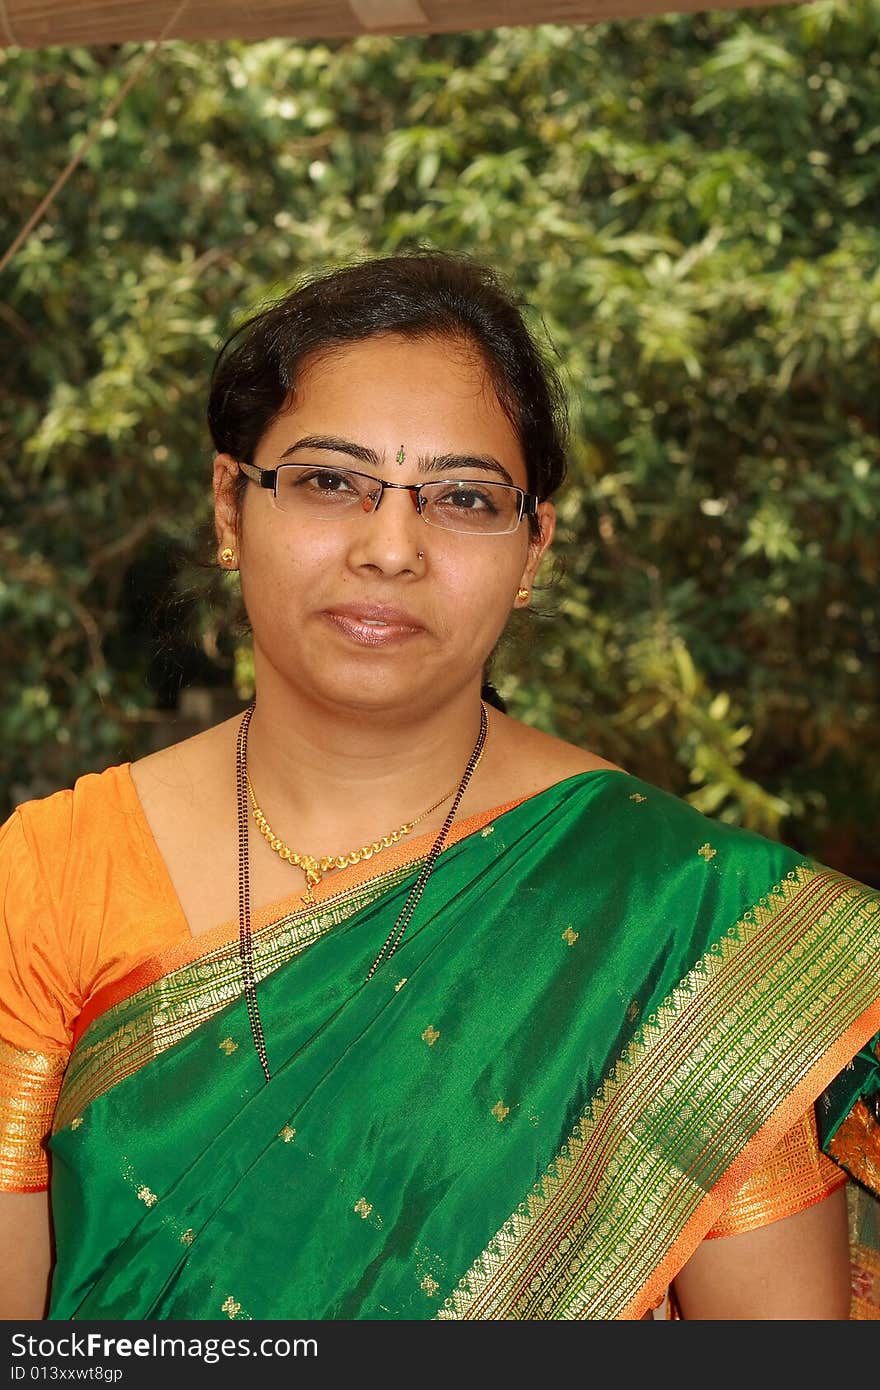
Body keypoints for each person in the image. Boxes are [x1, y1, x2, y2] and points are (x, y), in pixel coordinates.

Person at [1, 251, 878, 1323]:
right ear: (232, 506)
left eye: (462, 498)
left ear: (532, 547)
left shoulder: (678, 915)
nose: (390, 548)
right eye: (330, 481)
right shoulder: (46, 875)